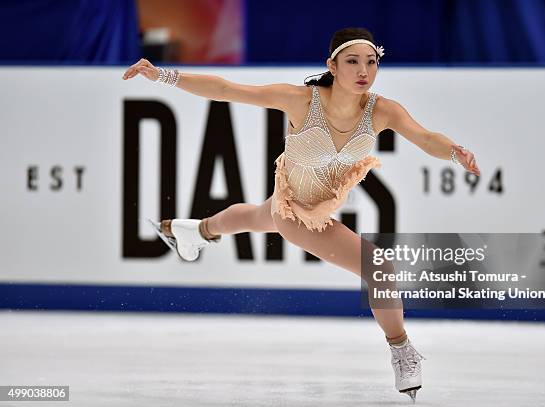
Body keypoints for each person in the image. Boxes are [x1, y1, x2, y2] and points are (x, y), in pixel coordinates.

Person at [123, 27, 480, 402]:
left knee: (255, 217)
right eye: (352, 61)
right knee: (378, 267)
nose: (364, 70)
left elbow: (425, 138)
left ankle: (195, 231)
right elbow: (228, 90)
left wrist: (455, 151)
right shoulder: (301, 101)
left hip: (308, 203)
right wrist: (163, 74)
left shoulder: (383, 110)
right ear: (332, 65)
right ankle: (401, 349)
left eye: (371, 62)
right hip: (296, 211)